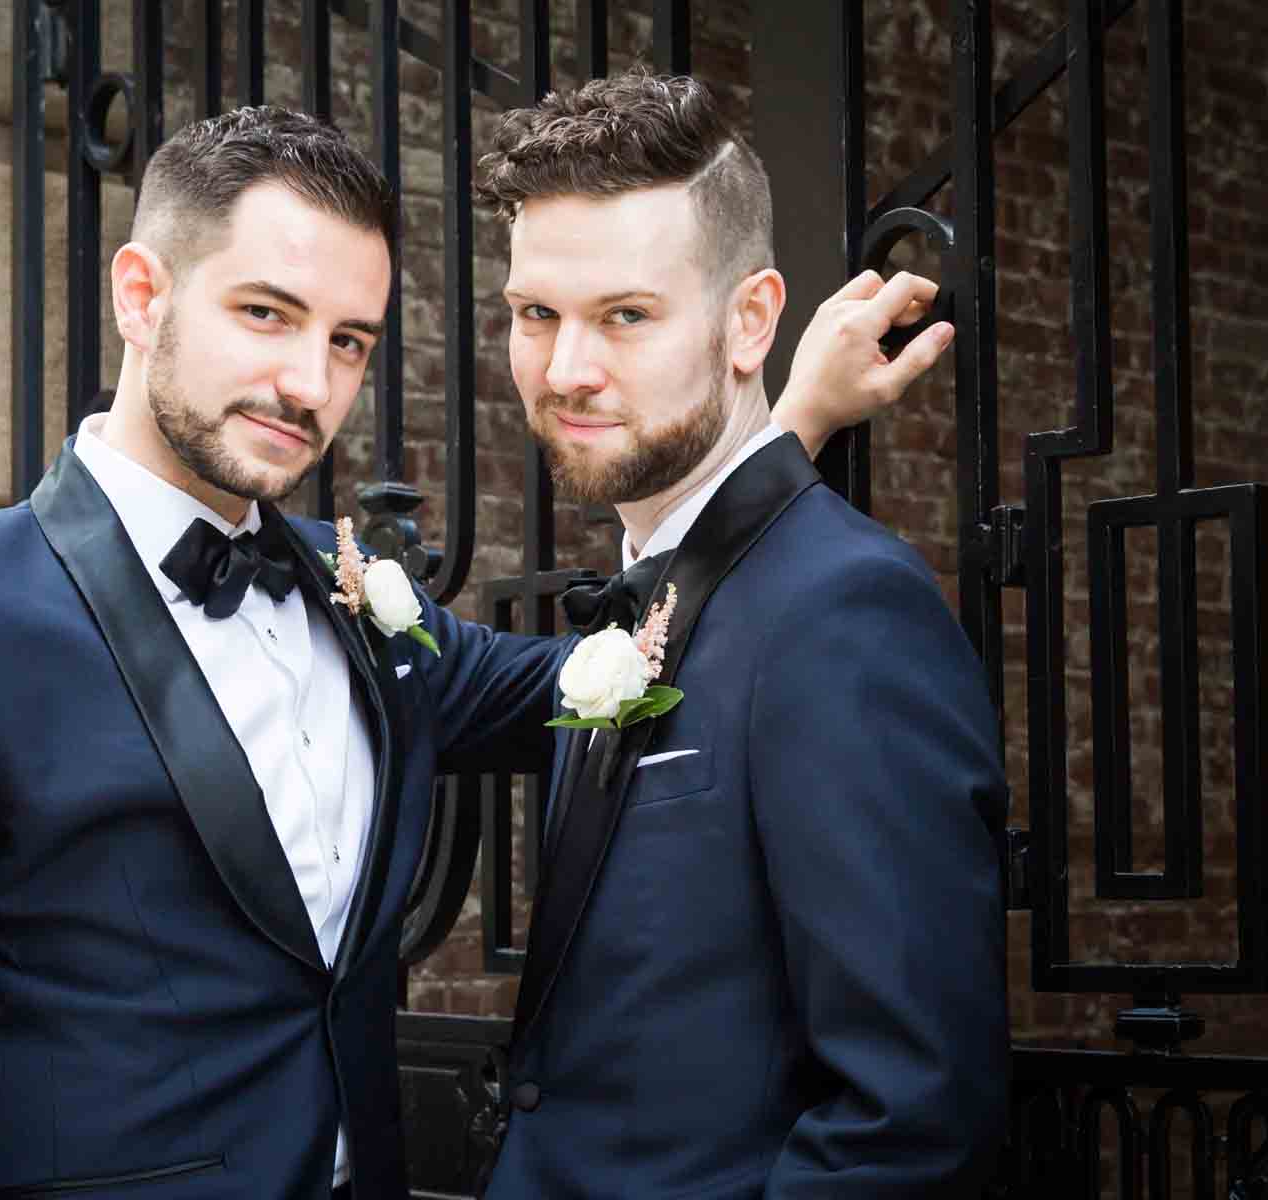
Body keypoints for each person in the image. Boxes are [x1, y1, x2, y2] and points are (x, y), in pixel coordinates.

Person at [0, 105, 944, 1200]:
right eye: (265, 314)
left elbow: (652, 654)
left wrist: (782, 418)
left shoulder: (368, 619)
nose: (305, 385)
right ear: (140, 291)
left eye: (349, 342)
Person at [475, 70, 1009, 1199]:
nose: (567, 370)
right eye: (536, 315)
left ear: (751, 320)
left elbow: (904, 1117)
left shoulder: (844, 617)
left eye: (626, 315)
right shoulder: (659, 596)